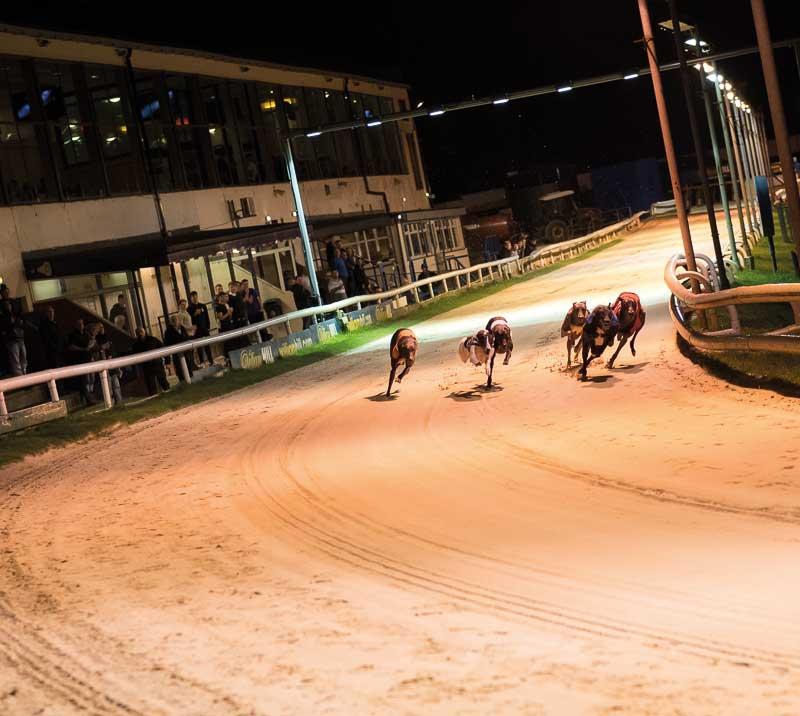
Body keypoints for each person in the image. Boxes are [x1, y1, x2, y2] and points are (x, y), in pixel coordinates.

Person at [65, 319, 96, 404]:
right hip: (80, 360)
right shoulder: (73, 335)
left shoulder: (86, 334)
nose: (81, 325)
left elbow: (92, 342)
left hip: (89, 358)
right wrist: (82, 349)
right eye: (79, 324)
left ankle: (91, 393)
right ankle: (88, 397)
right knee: (85, 379)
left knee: (92, 377)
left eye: (82, 324)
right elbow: (71, 346)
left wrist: (91, 344)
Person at [131, 327, 169, 395]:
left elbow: (163, 349)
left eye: (141, 332)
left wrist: (167, 361)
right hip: (147, 366)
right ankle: (154, 397)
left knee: (162, 380)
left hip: (156, 364)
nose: (140, 334)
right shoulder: (136, 345)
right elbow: (134, 356)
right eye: (138, 332)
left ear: (144, 331)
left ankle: (169, 392)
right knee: (151, 384)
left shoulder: (153, 340)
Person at [93, 322, 123, 405]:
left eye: (102, 327)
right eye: (100, 328)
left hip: (112, 365)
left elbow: (113, 352)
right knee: (108, 388)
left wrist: (118, 367)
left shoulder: (108, 337)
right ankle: (111, 404)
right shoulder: (96, 340)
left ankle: (119, 403)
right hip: (104, 366)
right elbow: (97, 351)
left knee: (116, 386)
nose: (102, 329)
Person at [0, 284, 27, 376]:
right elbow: (3, 321)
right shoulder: (1, 305)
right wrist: (7, 311)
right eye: (4, 292)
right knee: (15, 360)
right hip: (10, 336)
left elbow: (20, 314)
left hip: (19, 334)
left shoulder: (13, 302)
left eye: (7, 291)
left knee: (23, 357)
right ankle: (21, 380)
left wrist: (21, 321)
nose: (6, 293)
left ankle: (25, 375)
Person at [163, 315, 194, 382]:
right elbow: (167, 344)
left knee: (188, 366)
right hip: (176, 353)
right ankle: (183, 381)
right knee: (179, 368)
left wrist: (189, 346)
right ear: (172, 322)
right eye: (174, 321)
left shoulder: (182, 328)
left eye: (177, 320)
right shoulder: (168, 331)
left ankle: (190, 379)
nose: (176, 322)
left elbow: (186, 337)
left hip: (185, 351)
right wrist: (167, 361)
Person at [188, 291, 213, 365]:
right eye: (193, 297)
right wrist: (195, 314)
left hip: (204, 328)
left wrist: (208, 326)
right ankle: (202, 362)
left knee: (207, 345)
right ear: (191, 298)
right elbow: (190, 320)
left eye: (195, 296)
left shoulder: (203, 305)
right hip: (197, 330)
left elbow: (206, 316)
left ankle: (210, 360)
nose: (195, 298)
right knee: (199, 347)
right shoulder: (189, 308)